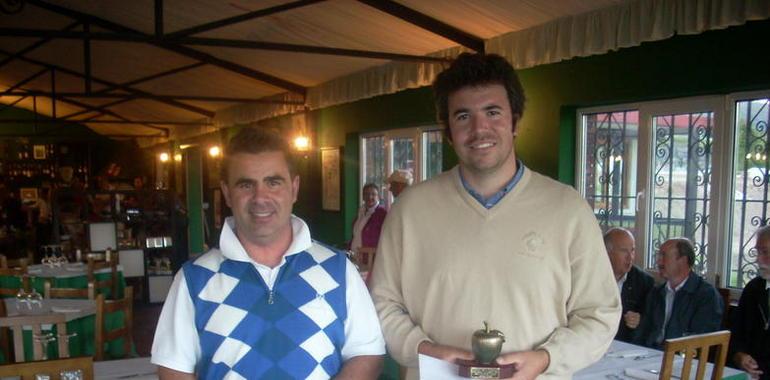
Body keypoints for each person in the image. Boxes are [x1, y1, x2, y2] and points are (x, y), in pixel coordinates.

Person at [370, 53, 621, 380]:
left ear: (515, 121)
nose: (479, 129)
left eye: (492, 112)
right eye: (463, 116)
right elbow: (381, 305)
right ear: (448, 131)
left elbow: (599, 314)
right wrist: (424, 349)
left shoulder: (568, 208)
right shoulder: (410, 210)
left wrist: (546, 358)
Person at [151, 128, 385, 379]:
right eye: (246, 184)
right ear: (227, 193)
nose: (260, 198)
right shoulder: (193, 279)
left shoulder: (339, 270)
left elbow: (367, 353)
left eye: (273, 182)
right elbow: (173, 368)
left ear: (294, 188)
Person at [634, 238, 723, 349]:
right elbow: (642, 332)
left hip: (683, 360)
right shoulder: (656, 293)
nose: (658, 262)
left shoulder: (706, 296)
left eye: (663, 256)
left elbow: (701, 340)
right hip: (648, 355)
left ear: (683, 260)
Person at [730, 226, 770, 380]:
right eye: (757, 252)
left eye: (765, 252)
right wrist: (739, 356)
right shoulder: (754, 289)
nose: (758, 259)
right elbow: (736, 333)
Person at [604, 227, 655, 343]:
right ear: (607, 252)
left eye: (632, 250)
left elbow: (652, 324)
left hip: (626, 346)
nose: (630, 257)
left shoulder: (644, 282)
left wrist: (639, 322)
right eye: (623, 251)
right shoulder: (590, 275)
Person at [349, 183, 387, 252]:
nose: (369, 197)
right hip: (354, 256)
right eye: (366, 194)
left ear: (378, 196)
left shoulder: (382, 214)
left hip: (370, 259)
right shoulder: (361, 211)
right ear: (363, 196)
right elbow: (356, 235)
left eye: (373, 194)